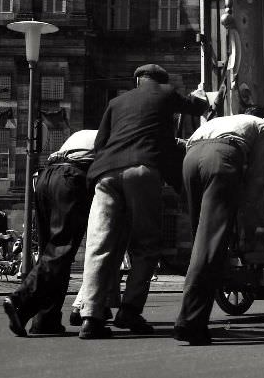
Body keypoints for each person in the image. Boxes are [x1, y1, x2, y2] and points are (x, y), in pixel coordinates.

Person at [78, 64, 208, 340]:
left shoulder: (116, 101)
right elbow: (196, 108)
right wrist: (202, 95)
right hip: (142, 169)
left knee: (99, 244)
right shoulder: (166, 92)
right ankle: (130, 309)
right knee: (146, 245)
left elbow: (100, 143)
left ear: (137, 80)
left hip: (105, 173)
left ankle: (91, 315)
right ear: (161, 81)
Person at [173, 106, 264, 346]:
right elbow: (256, 176)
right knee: (210, 247)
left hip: (191, 158)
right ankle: (190, 322)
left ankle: (191, 315)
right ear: (263, 117)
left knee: (201, 239)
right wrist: (246, 212)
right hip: (220, 159)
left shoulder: (222, 120)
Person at [3, 129, 97, 337]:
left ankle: (46, 319)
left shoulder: (85, 134)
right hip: (71, 178)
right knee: (61, 250)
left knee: (51, 252)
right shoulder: (119, 135)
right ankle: (20, 298)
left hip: (46, 176)